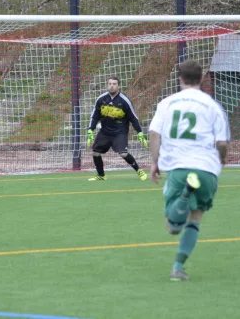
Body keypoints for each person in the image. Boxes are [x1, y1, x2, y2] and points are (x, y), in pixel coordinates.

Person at [148, 59, 230, 281]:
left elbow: (154, 134)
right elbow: (221, 143)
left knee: (172, 227)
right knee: (195, 219)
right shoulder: (213, 105)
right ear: (202, 78)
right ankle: (177, 267)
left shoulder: (167, 103)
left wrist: (155, 162)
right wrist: (220, 161)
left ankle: (185, 194)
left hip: (178, 167)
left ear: (180, 78)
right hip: (205, 167)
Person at [86, 76, 148, 181]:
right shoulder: (101, 99)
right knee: (95, 152)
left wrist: (140, 133)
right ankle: (101, 175)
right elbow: (95, 116)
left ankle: (139, 171)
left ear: (118, 86)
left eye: (114, 84)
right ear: (107, 85)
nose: (112, 86)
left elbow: (133, 118)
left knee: (123, 154)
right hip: (105, 132)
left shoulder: (124, 101)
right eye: (110, 84)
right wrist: (90, 130)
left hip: (120, 132)